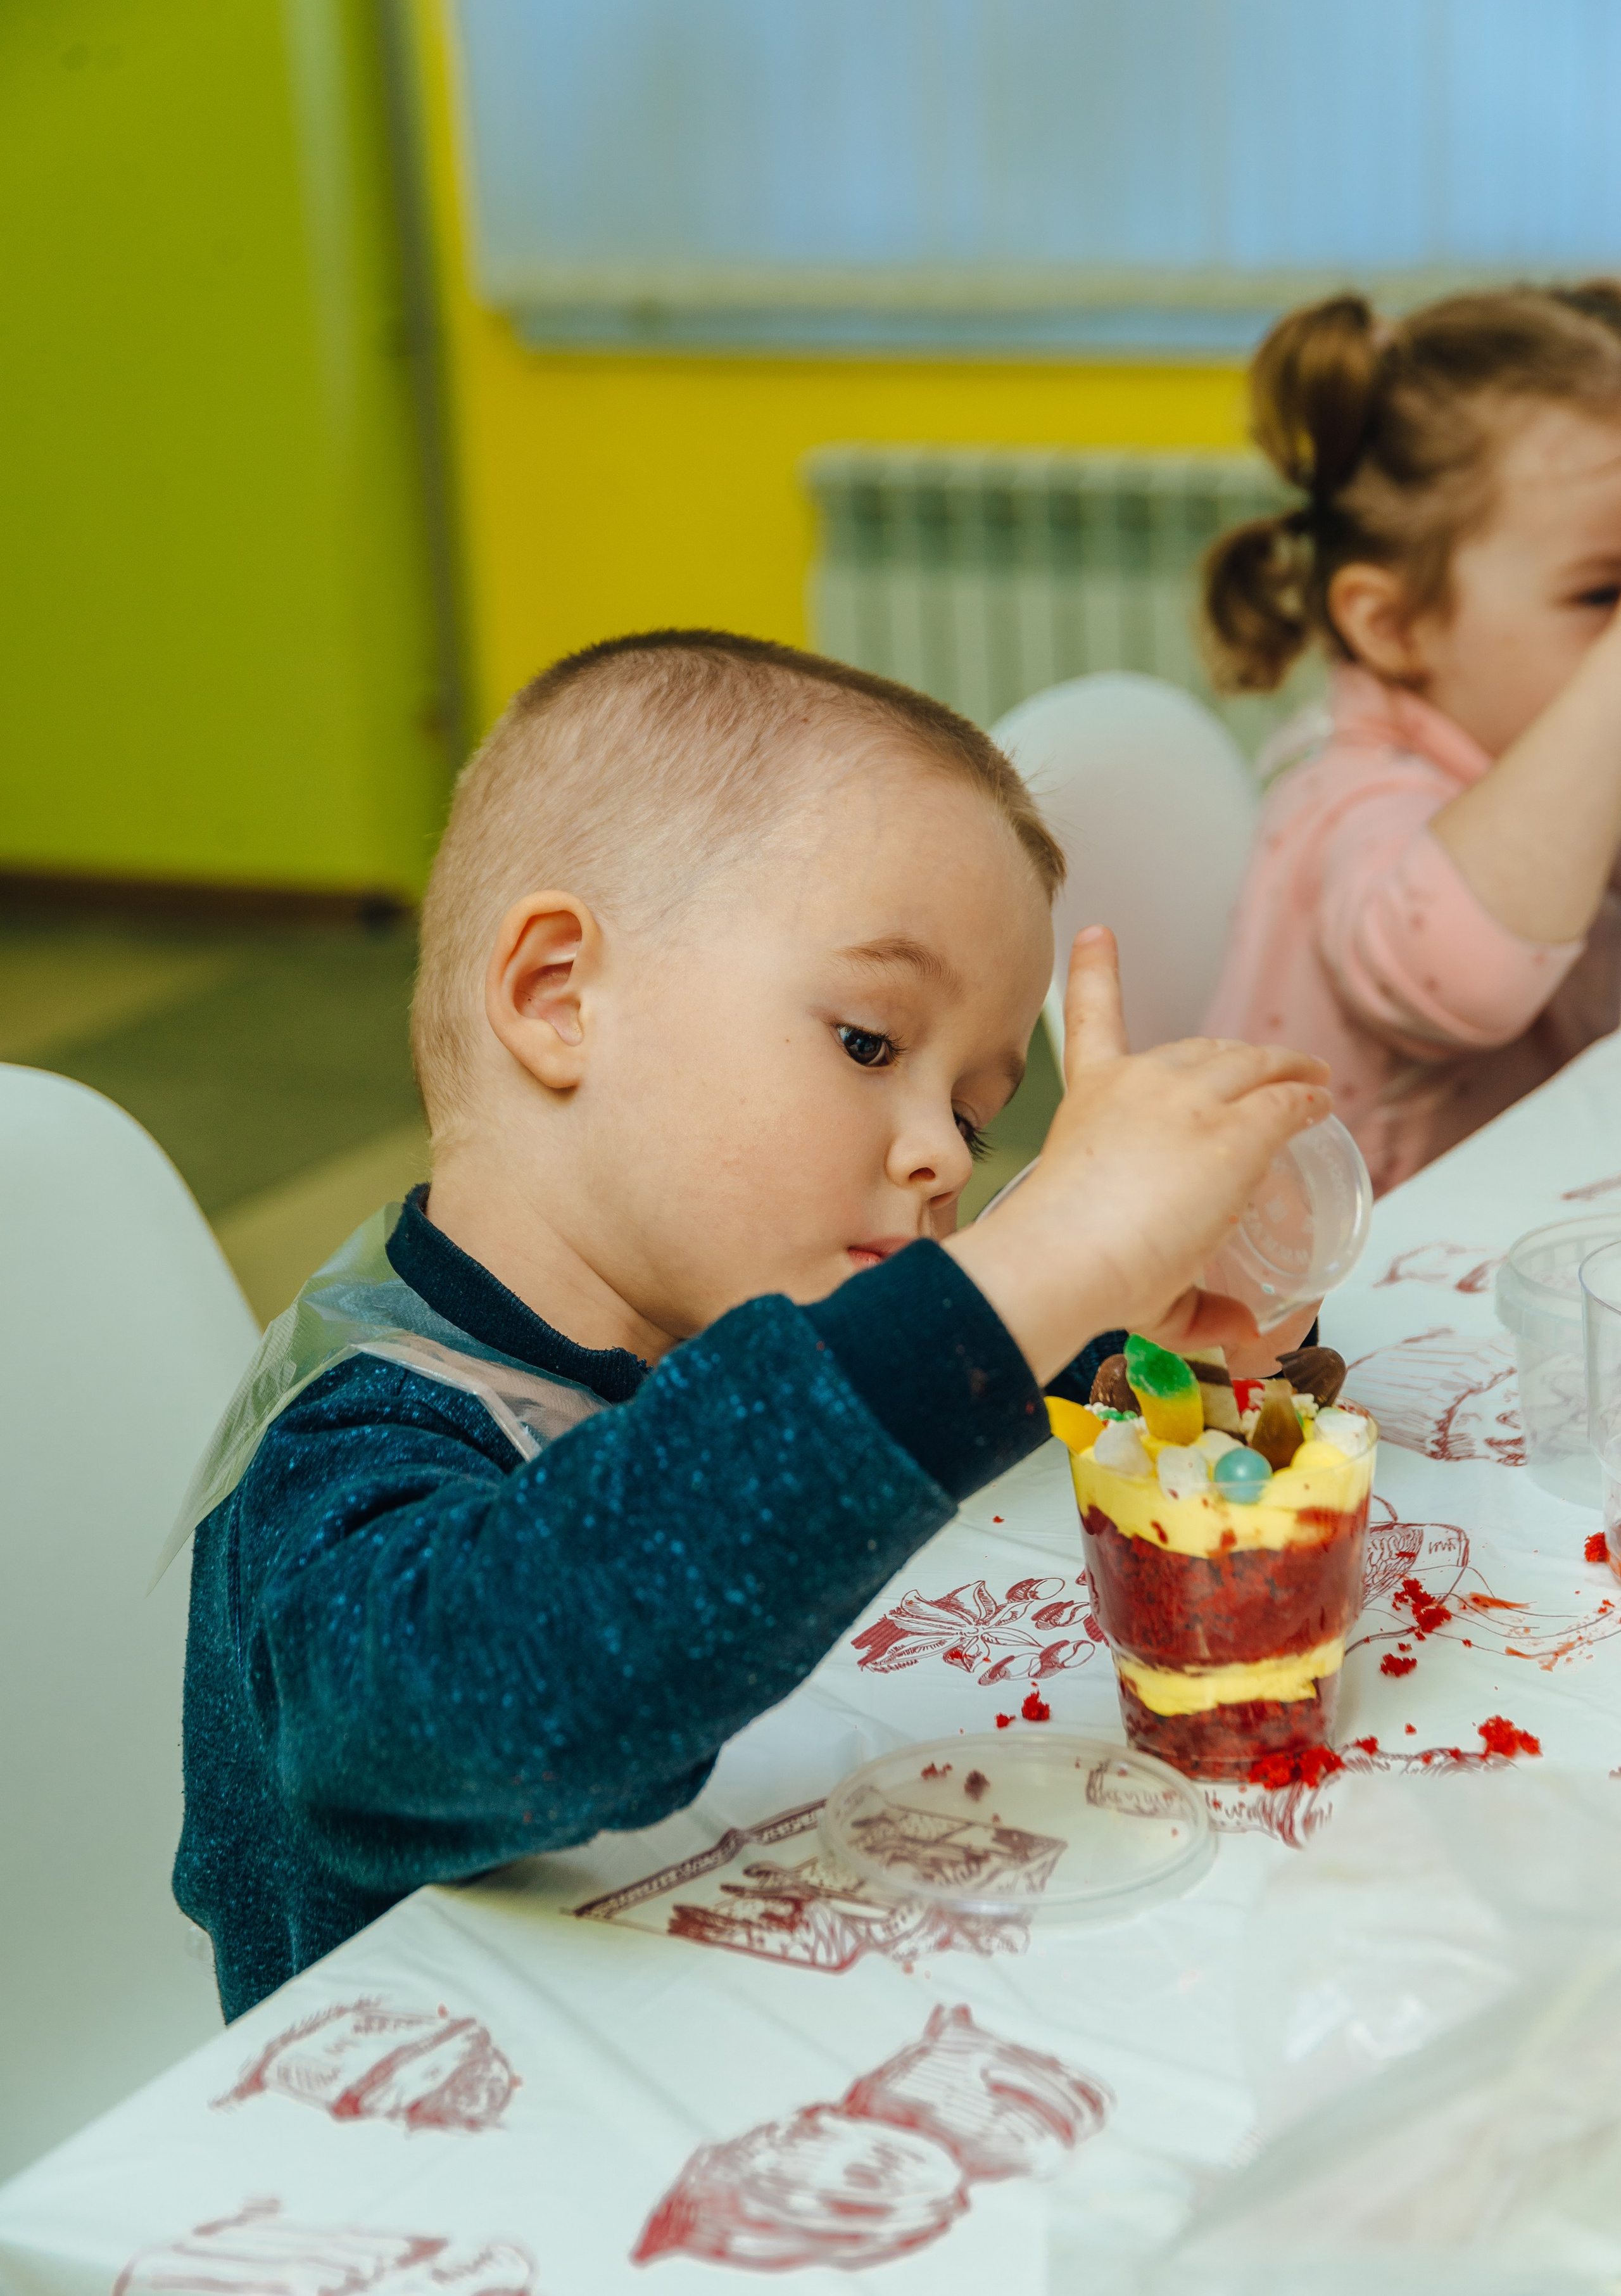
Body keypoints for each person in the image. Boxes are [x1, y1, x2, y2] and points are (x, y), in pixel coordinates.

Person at [173, 630, 1327, 2020]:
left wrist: (1106, 1320)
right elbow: (511, 1688)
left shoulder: (681, 1311)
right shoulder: (355, 1440)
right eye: (865, 1042)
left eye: (971, 1109)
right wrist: (1031, 1266)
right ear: (557, 996)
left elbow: (796, 1414)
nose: (948, 1160)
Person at [1203, 284, 1621, 1196]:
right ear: (1394, 625)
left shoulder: (1537, 748)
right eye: (1602, 596)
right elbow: (1471, 974)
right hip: (1348, 1315)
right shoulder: (1344, 797)